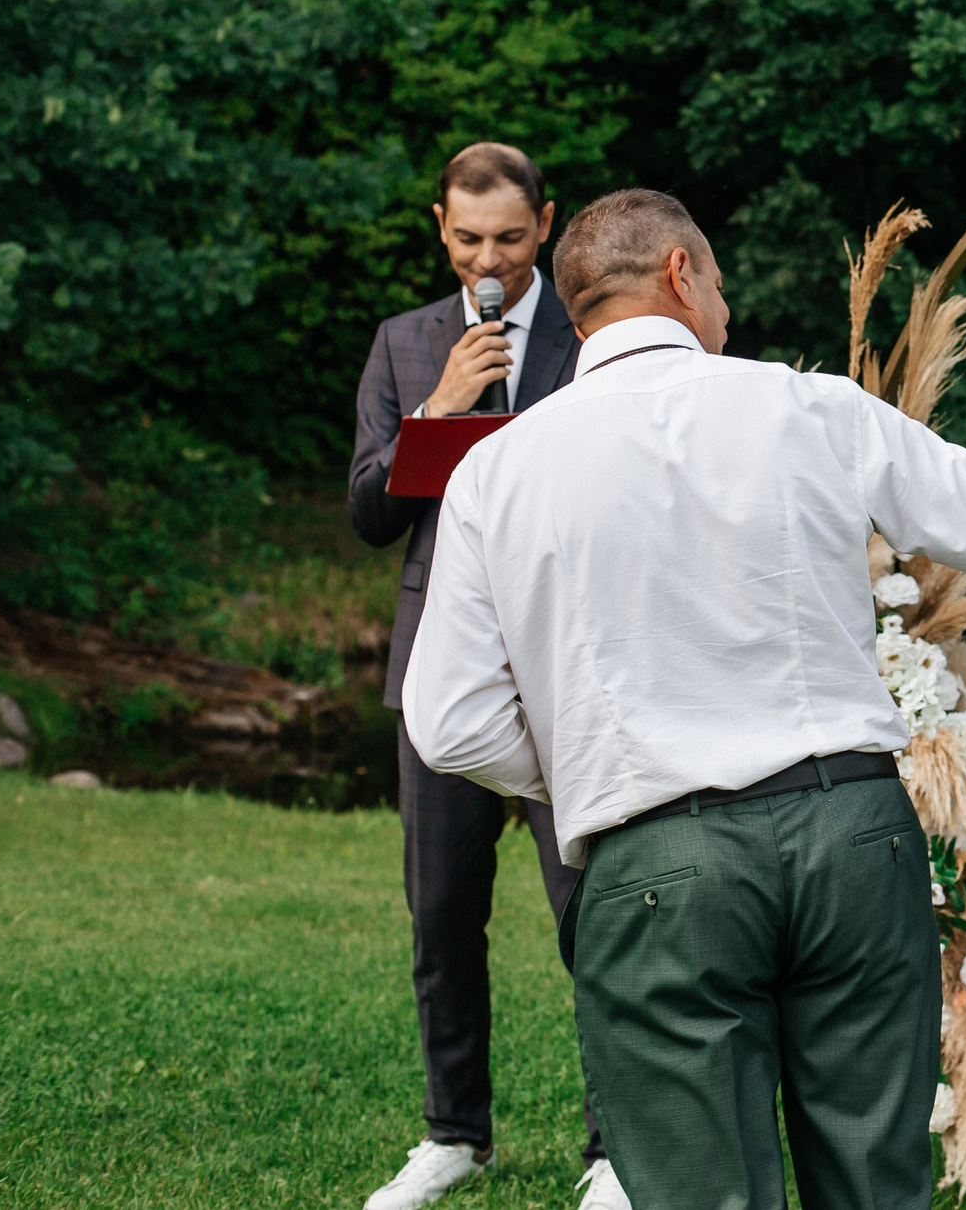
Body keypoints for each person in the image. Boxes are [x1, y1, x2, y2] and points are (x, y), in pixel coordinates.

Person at [403, 188, 966, 1210]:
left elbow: (448, 721)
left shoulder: (495, 473)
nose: (726, 309)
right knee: (872, 1188)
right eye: (716, 282)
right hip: (851, 839)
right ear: (680, 273)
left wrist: (601, 757)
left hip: (653, 861)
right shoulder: (807, 408)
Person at [349, 143, 626, 1210]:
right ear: (440, 228)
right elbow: (371, 514)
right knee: (442, 916)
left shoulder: (594, 335)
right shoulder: (403, 343)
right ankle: (454, 1136)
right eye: (469, 239)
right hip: (440, 679)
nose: (490, 260)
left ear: (545, 225)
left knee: (593, 917)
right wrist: (440, 410)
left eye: (510, 238)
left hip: (566, 673)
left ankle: (612, 1147)